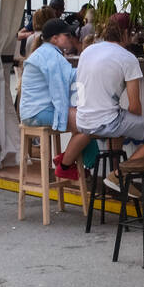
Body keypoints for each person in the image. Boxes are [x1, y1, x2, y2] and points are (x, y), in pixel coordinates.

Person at [75, 20, 144, 181]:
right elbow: (135, 106)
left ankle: (115, 176)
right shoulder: (128, 58)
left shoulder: (87, 51)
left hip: (82, 120)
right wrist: (135, 127)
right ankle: (119, 174)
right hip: (107, 122)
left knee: (120, 118)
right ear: (125, 34)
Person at [19, 18, 93, 180]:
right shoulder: (49, 55)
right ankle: (66, 165)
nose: (71, 38)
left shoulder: (48, 53)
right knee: (87, 123)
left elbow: (66, 78)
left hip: (35, 111)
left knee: (83, 120)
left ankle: (66, 157)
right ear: (55, 38)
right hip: (38, 113)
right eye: (67, 35)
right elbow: (60, 86)